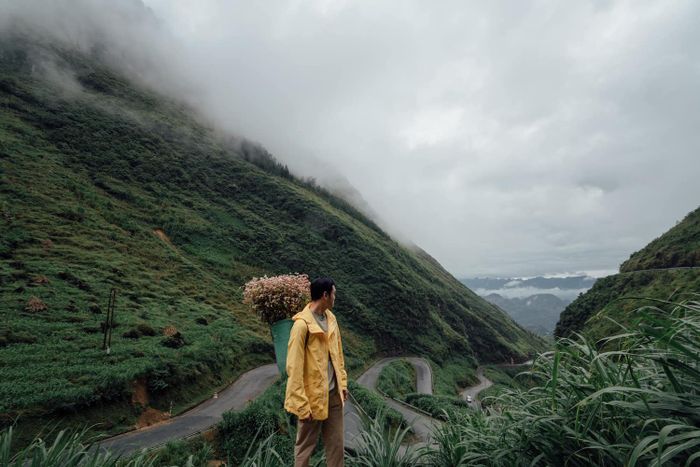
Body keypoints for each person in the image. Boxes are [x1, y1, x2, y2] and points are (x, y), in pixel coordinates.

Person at [284, 277, 349, 467]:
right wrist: (302, 405)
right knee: (304, 450)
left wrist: (342, 384)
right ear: (325, 295)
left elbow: (338, 356)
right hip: (311, 401)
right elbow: (293, 368)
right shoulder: (301, 326)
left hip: (333, 396)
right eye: (334, 294)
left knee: (337, 446)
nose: (335, 298)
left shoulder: (331, 319)